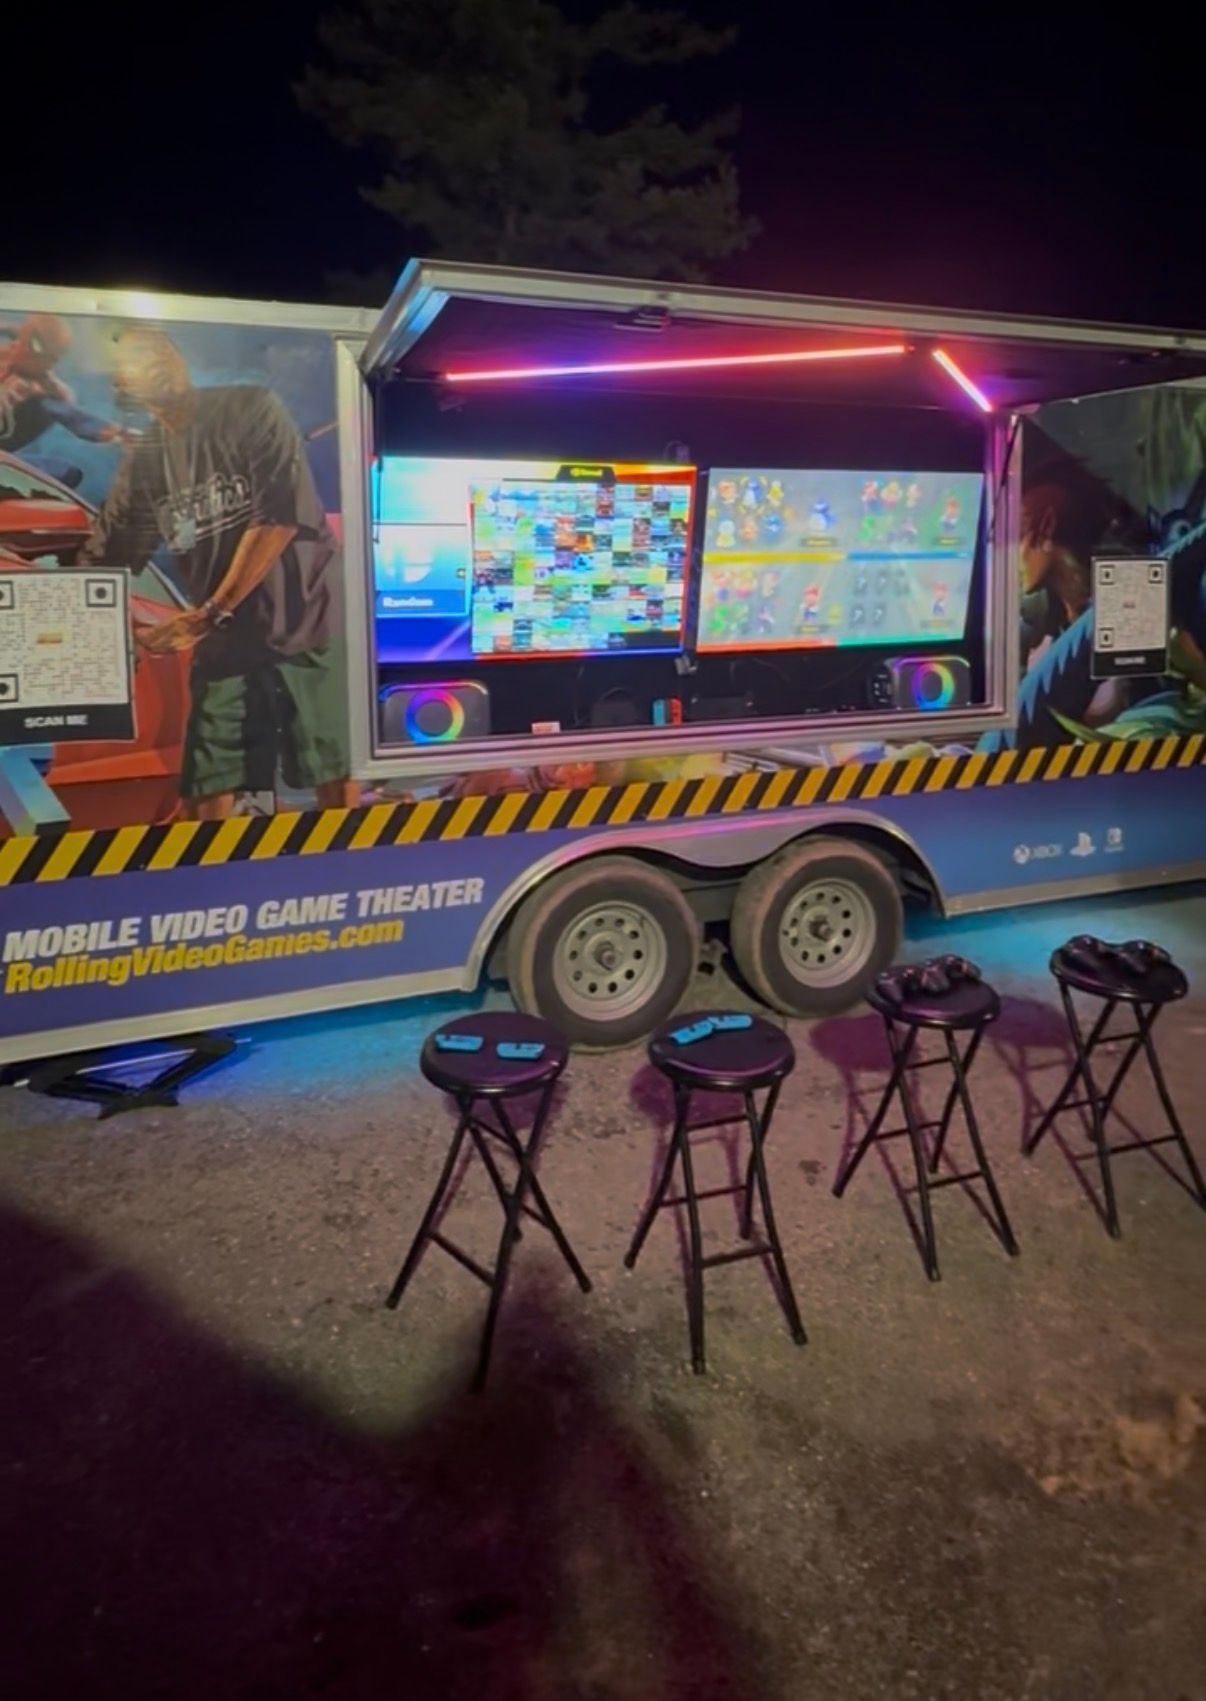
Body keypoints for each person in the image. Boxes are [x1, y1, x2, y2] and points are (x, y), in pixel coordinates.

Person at [81, 325, 356, 819]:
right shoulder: (147, 462)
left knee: (330, 764)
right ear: (123, 386)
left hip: (305, 618)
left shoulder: (247, 407)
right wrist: (127, 633)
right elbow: (105, 563)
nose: (162, 362)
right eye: (142, 359)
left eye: (165, 350)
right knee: (210, 773)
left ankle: (349, 865)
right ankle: (211, 877)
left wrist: (207, 614)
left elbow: (278, 517)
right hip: (224, 640)